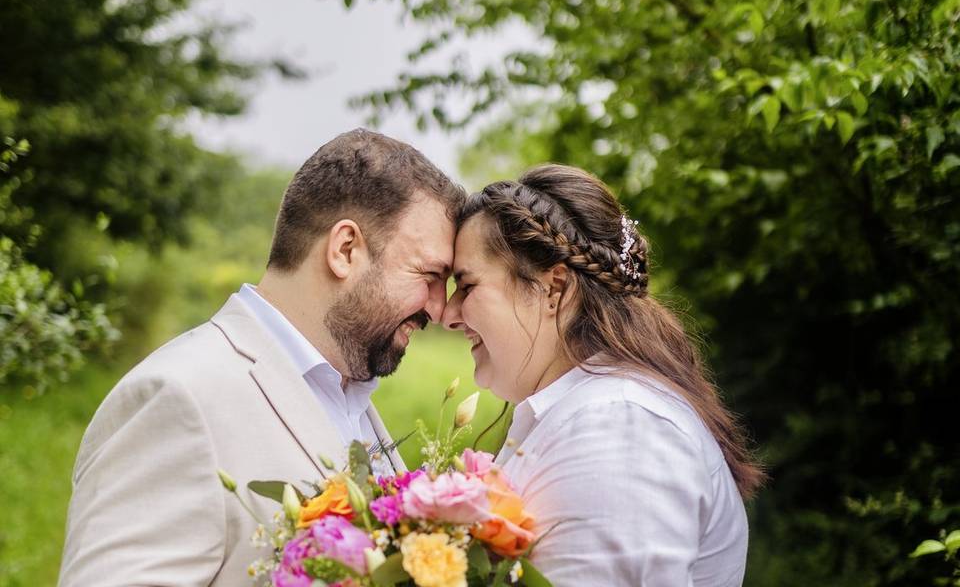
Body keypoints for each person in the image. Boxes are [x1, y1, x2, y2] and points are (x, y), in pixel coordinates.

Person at [58, 129, 465, 586]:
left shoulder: (350, 398)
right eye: (430, 275)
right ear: (345, 249)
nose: (440, 307)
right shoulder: (177, 397)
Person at [441, 164, 764, 586]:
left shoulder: (621, 429)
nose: (447, 313)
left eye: (467, 285)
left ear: (553, 288)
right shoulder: (594, 412)